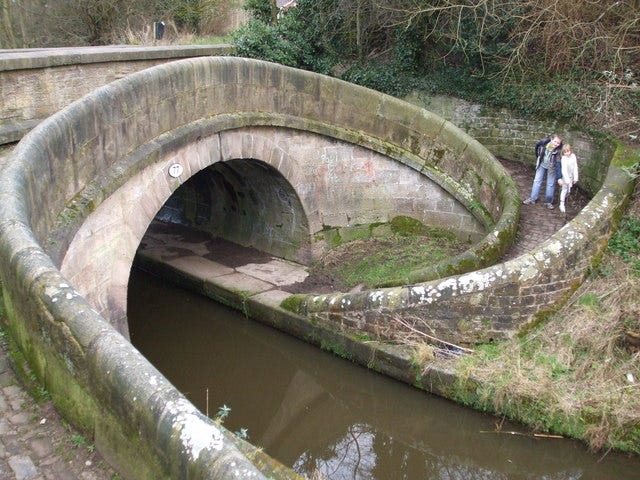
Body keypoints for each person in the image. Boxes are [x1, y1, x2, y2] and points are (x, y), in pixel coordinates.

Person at [523, 134, 563, 209]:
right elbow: (537, 148)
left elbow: (558, 164)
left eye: (558, 143)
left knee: (550, 184)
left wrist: (559, 177)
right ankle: (532, 198)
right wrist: (538, 157)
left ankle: (548, 202)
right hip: (542, 164)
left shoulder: (558, 151)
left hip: (552, 167)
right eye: (555, 141)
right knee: (537, 180)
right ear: (551, 139)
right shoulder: (543, 143)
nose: (556, 144)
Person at [557, 143, 578, 213]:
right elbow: (564, 170)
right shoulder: (564, 158)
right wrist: (567, 180)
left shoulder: (573, 156)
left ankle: (565, 198)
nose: (566, 153)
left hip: (571, 176)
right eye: (565, 152)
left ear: (570, 150)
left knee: (568, 189)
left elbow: (575, 167)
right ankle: (561, 204)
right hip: (565, 177)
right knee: (564, 189)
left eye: (568, 151)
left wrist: (575, 178)